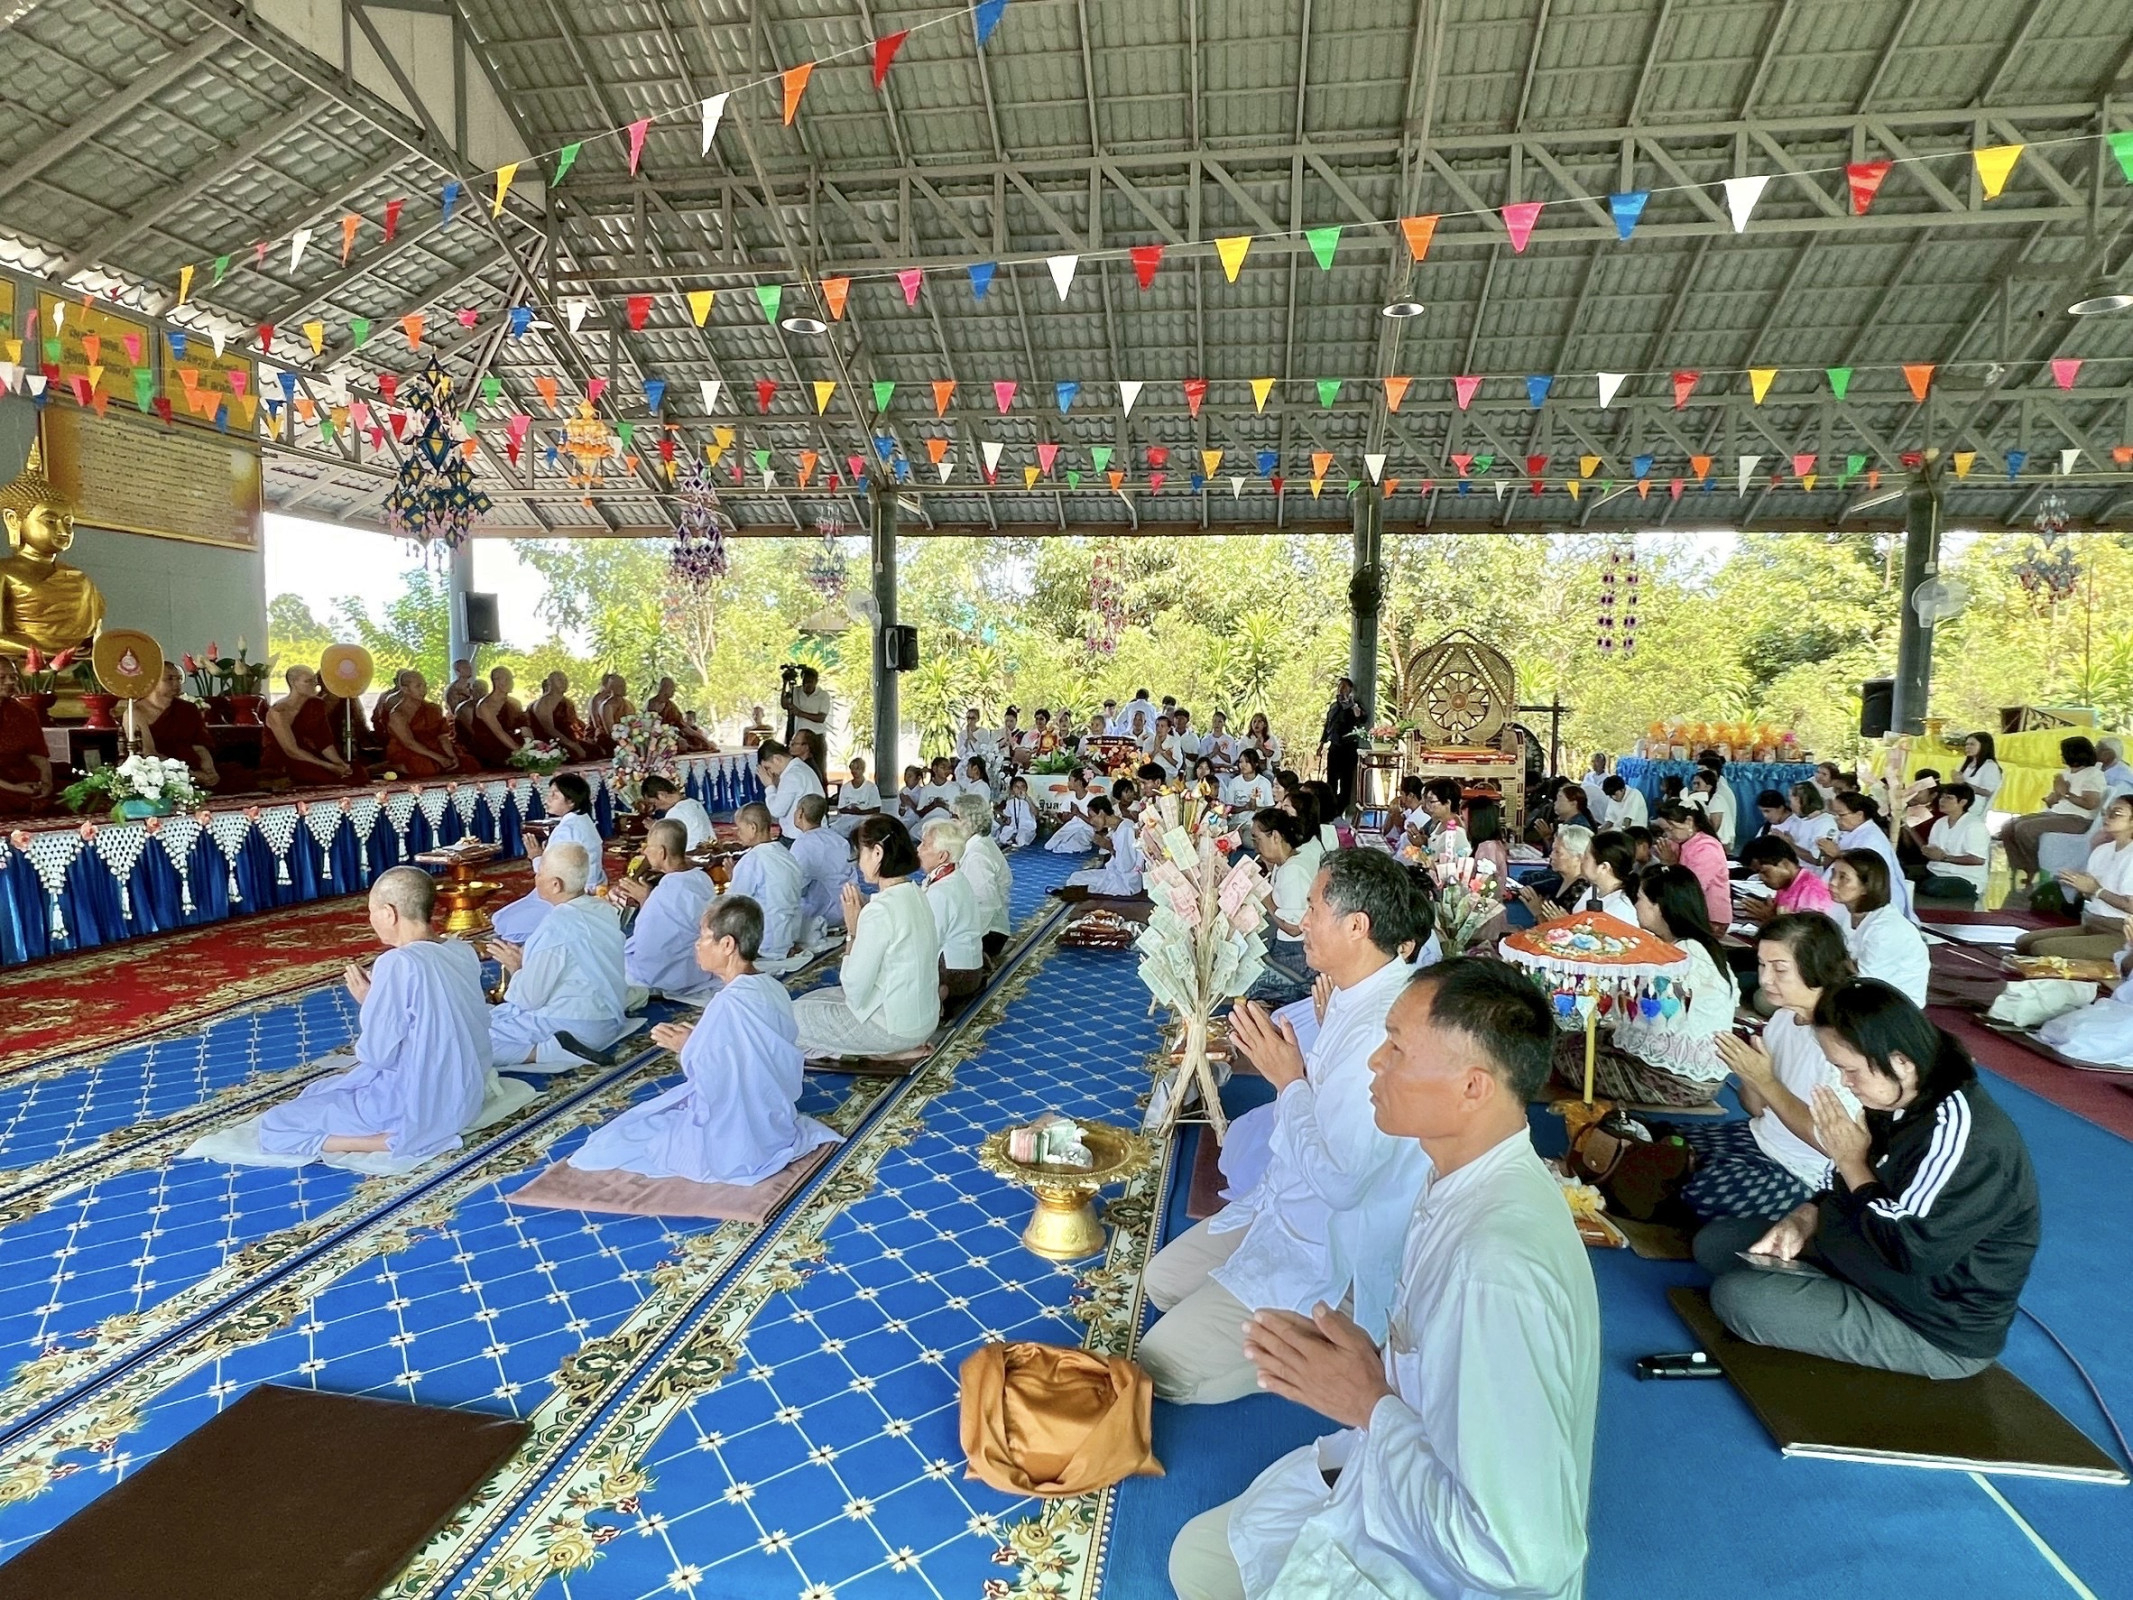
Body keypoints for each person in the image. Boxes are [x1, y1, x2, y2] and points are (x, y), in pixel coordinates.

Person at [1171, 957, 1598, 1600]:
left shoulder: (1495, 1267)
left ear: (1473, 1087)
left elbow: (1522, 1559)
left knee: (1203, 1571)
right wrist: (1374, 1365)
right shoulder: (1465, 1174)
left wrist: (1369, 1400)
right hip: (1408, 1471)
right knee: (1203, 1558)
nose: (1375, 1062)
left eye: (1396, 1047)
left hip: (1461, 1572)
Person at [1142, 851, 1426, 1405]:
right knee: (1160, 1282)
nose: (1300, 921)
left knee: (1161, 1370)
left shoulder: (1381, 1025)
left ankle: (1342, 1336)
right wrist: (1313, 1053)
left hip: (1331, 1252)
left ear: (1356, 926)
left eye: (1314, 908)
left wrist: (1288, 1081)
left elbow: (1342, 1184)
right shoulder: (1352, 993)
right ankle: (1270, 1328)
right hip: (1287, 1209)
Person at [1691, 980, 2040, 1379]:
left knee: (1738, 1299)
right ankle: (1823, 1290)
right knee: (1716, 1245)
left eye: (1849, 1069)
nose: (1844, 1082)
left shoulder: (1962, 1134)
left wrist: (1851, 1161)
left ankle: (1832, 1301)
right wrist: (1807, 1215)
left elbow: (1911, 1250)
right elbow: (1844, 1187)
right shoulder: (1896, 1096)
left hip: (1932, 1319)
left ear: (1901, 1061)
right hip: (1870, 1258)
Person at [564, 893, 840, 1186]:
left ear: (728, 945)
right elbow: (750, 1055)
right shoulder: (771, 988)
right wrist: (701, 1042)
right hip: (775, 1122)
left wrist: (688, 1047)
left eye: (704, 936)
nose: (697, 944)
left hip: (733, 1142)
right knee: (648, 1120)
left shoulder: (729, 1004)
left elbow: (717, 1077)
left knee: (619, 1139)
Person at [255, 867, 492, 1162]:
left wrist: (370, 1003)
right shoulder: (462, 950)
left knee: (275, 1125)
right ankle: (404, 1130)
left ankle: (387, 1141)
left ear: (389, 913)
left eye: (371, 912)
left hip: (411, 1105)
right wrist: (378, 1003)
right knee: (318, 1090)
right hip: (465, 1097)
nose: (370, 920)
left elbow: (377, 1056)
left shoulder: (397, 963)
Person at [1680, 914, 1859, 1220]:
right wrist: (1751, 1075)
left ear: (1816, 966)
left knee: (1702, 1190)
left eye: (1779, 969)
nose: (1765, 980)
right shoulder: (1781, 1019)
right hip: (1758, 1137)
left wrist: (1765, 1080)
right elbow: (1757, 1110)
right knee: (1660, 1140)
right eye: (1762, 965)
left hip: (1805, 1174)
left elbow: (1832, 1144)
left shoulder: (1844, 1042)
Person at [1555, 864, 1739, 1106]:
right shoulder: (1700, 947)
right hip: (1688, 1069)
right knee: (1578, 1039)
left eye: (1640, 899)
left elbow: (1649, 1016)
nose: (1636, 906)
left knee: (1563, 1055)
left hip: (1676, 1081)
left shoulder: (1681, 957)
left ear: (1659, 906)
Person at [792, 816, 942, 1058]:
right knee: (814, 999)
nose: (858, 865)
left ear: (877, 853)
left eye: (860, 854)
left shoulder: (879, 911)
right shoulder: (916, 892)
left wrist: (853, 931)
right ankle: (882, 1049)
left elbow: (853, 988)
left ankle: (885, 1052)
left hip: (894, 1029)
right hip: (924, 1019)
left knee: (788, 1020)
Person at [485, 840, 632, 1069]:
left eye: (540, 873)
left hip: (574, 1027)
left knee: (468, 1043)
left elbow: (529, 999)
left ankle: (549, 1053)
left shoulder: (556, 927)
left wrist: (517, 967)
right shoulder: (602, 908)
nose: (536, 878)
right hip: (609, 1019)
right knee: (482, 1020)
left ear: (555, 885)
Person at [608, 817, 719, 1000]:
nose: (644, 851)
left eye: (648, 846)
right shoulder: (702, 878)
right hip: (701, 968)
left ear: (661, 853)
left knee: (614, 961)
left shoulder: (665, 892)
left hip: (668, 976)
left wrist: (646, 900)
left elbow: (647, 943)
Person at [2012, 792, 2133, 959]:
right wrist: (2080, 884)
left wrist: (2096, 890)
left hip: (2122, 934)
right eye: (2107, 811)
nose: (2108, 816)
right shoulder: (2103, 850)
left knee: (2041, 949)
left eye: (2117, 813)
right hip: (2093, 924)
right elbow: (2090, 892)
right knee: (2023, 942)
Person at [492, 773, 606, 943]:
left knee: (505, 925)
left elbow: (554, 876)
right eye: (549, 793)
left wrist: (536, 856)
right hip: (587, 887)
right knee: (503, 918)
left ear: (571, 801)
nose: (548, 798)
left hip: (567, 893)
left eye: (555, 795)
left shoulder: (567, 829)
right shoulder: (583, 821)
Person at [2003, 735, 2108, 891]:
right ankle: (2023, 867)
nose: (2061, 756)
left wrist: (2065, 794)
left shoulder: (2093, 774)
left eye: (2063, 752)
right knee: (2008, 827)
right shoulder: (2066, 772)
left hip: (2078, 820)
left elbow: (2090, 804)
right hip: (2056, 814)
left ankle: (2034, 867)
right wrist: (2053, 796)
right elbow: (2053, 801)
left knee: (2025, 829)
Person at [1828, 851, 1929, 1007]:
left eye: (1843, 878)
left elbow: (1863, 984)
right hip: (1861, 996)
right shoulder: (1841, 912)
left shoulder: (1886, 929)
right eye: (1833, 874)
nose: (1833, 882)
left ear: (1866, 887)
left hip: (1893, 1009)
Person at [728, 802, 814, 971]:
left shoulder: (753, 859)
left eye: (740, 828)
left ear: (752, 828)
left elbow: (735, 902)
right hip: (790, 934)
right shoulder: (784, 852)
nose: (738, 834)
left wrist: (732, 877)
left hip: (767, 940)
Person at [257, 664, 362, 787]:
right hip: (285, 759)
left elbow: (324, 742)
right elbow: (291, 750)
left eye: (314, 681)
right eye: (308, 681)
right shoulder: (279, 711)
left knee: (356, 774)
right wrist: (329, 766)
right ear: (293, 683)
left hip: (308, 754)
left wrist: (339, 763)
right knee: (323, 777)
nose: (314, 685)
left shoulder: (315, 705)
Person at [1817, 791, 1915, 921]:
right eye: (1834, 814)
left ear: (1859, 815)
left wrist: (1837, 853)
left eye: (1841, 815)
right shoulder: (1851, 832)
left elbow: (1866, 871)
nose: (1836, 819)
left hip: (1870, 897)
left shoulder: (1871, 838)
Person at [919, 817, 986, 1002]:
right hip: (967, 965)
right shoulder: (953, 876)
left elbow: (929, 943)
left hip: (955, 974)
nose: (918, 850)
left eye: (924, 845)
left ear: (942, 856)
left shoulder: (942, 891)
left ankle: (936, 1000)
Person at [138, 661, 225, 791]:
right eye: (169, 679)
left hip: (193, 766)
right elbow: (149, 753)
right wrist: (191, 775)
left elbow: (199, 745)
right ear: (152, 681)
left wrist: (209, 770)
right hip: (161, 771)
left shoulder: (188, 708)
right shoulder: (137, 711)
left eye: (179, 679)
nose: (176, 684)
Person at [1655, 800, 1731, 932]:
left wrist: (1670, 864)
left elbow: (1692, 888)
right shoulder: (1679, 841)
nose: (1667, 835)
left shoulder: (1707, 848)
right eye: (1664, 831)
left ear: (1689, 822)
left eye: (1670, 829)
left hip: (1709, 917)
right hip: (1685, 911)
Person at [954, 791, 1015, 956]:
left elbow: (987, 905)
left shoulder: (977, 856)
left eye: (956, 818)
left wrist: (967, 939)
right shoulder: (977, 844)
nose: (951, 823)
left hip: (990, 932)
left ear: (970, 821)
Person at [789, 793, 859, 933]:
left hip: (825, 913)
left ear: (800, 813)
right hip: (849, 906)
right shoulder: (837, 838)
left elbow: (796, 886)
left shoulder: (803, 844)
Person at [1736, 834, 1840, 926]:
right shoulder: (1786, 885)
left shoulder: (1811, 892)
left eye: (1764, 872)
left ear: (1785, 863)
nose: (1761, 878)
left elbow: (1807, 938)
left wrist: (1771, 920)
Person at [1917, 781, 1991, 903]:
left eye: (1949, 798)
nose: (1942, 800)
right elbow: (1931, 850)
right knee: (1903, 875)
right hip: (1935, 872)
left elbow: (1978, 859)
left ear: (1963, 802)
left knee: (1932, 887)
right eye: (1942, 797)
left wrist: (1945, 858)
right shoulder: (1940, 822)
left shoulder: (1974, 825)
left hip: (1964, 879)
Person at [382, 669, 461, 778]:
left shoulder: (433, 709)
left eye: (424, 685)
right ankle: (391, 767)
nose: (423, 690)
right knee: (427, 767)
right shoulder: (398, 714)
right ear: (405, 689)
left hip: (432, 747)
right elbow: (409, 743)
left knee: (467, 763)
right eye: (418, 686)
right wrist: (439, 758)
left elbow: (442, 735)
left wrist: (451, 755)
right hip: (409, 750)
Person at [1065, 796, 1142, 896]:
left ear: (1101, 813)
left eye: (1092, 816)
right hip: (1116, 875)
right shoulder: (1120, 826)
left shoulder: (1125, 829)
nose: (1091, 821)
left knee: (1076, 882)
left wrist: (1109, 847)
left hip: (1125, 882)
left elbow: (1125, 867)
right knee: (1075, 876)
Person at [1316, 675, 1369, 816]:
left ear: (1350, 689)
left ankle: (1340, 810)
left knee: (1346, 783)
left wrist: (1353, 707)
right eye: (1339, 686)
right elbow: (1328, 725)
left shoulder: (1354, 705)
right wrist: (1321, 744)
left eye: (1344, 687)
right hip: (1334, 748)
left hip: (1348, 749)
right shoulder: (1334, 706)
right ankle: (1330, 810)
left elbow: (1363, 718)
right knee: (1331, 781)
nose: (1341, 689)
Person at [463, 665, 532, 770]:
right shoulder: (485, 705)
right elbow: (499, 732)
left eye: (511, 679)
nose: (510, 682)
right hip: (490, 749)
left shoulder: (514, 702)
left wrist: (532, 747)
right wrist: (521, 752)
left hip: (510, 743)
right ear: (496, 681)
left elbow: (524, 727)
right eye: (506, 679)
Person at [757, 738, 826, 832]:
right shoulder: (799, 768)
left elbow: (777, 811)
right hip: (813, 831)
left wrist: (769, 786)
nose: (770, 772)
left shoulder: (792, 776)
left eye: (768, 767)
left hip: (799, 835)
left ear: (776, 759)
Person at [636, 774, 714, 851]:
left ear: (662, 795)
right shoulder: (694, 803)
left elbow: (668, 845)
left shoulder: (676, 812)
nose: (656, 808)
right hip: (709, 853)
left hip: (691, 858)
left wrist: (654, 828)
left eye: (653, 803)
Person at [1576, 829, 1639, 923]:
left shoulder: (1621, 911)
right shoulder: (1593, 890)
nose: (1581, 861)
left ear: (1604, 867)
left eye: (1586, 857)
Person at [528, 671, 592, 761]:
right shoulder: (544, 702)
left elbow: (574, 723)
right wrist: (573, 745)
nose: (564, 683)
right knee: (573, 754)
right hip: (549, 742)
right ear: (550, 683)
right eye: (559, 680)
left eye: (565, 680)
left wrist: (583, 737)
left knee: (596, 750)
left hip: (567, 739)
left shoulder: (567, 702)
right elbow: (549, 729)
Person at [647, 675, 715, 752]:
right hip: (652, 737)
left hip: (669, 736)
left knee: (692, 742)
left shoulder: (672, 707)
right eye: (672, 688)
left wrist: (705, 740)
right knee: (681, 743)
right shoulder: (651, 703)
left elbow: (683, 727)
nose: (674, 691)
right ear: (665, 688)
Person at [780, 663, 829, 759]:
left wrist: (800, 713)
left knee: (818, 767)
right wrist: (785, 684)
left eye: (810, 682)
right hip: (799, 737)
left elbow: (821, 718)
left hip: (817, 736)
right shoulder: (796, 691)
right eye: (805, 682)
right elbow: (784, 705)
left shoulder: (823, 695)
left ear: (816, 681)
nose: (807, 685)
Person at [1046, 769, 1098, 855]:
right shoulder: (1069, 797)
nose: (1068, 783)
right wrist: (1072, 814)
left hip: (1086, 829)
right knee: (1050, 845)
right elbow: (1064, 819)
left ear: (1079, 783)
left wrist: (1078, 813)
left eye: (1070, 780)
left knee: (1068, 846)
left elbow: (1095, 823)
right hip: (1071, 826)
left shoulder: (1093, 799)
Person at [831, 754, 881, 837]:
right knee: (834, 829)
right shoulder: (846, 787)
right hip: (847, 818)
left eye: (857, 768)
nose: (854, 771)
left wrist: (861, 812)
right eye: (852, 769)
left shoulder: (871, 787)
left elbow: (877, 809)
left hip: (865, 818)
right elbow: (841, 808)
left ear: (863, 769)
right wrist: (852, 811)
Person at [1687, 764, 1736, 848]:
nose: (1694, 787)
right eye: (1694, 783)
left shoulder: (1717, 800)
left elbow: (1714, 827)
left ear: (1708, 787)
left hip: (1721, 842)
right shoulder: (1701, 799)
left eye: (1698, 784)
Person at [1464, 795, 1510, 881]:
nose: (1463, 825)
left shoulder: (1487, 848)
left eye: (1464, 819)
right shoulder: (1492, 844)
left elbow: (1485, 887)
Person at [1956, 731, 2003, 812]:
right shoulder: (1965, 763)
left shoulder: (1990, 766)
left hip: (1975, 807)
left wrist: (1964, 785)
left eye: (1972, 744)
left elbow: (1988, 792)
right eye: (1966, 744)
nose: (1967, 747)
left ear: (1984, 746)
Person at [994, 774, 1037, 849]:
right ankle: (1011, 840)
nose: (1020, 789)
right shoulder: (1010, 802)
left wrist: (1027, 799)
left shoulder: (1030, 800)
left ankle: (1014, 841)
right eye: (1017, 787)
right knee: (1003, 837)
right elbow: (1008, 818)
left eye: (1023, 787)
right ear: (1012, 790)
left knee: (1021, 838)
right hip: (1013, 827)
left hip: (1026, 827)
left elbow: (1036, 813)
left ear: (1026, 788)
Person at [1227, 747, 1274, 812]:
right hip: (1237, 821)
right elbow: (1228, 807)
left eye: (1247, 762)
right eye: (1241, 762)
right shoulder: (1234, 782)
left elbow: (1270, 807)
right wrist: (1245, 807)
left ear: (1256, 764)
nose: (1243, 765)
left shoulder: (1264, 783)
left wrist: (1256, 808)